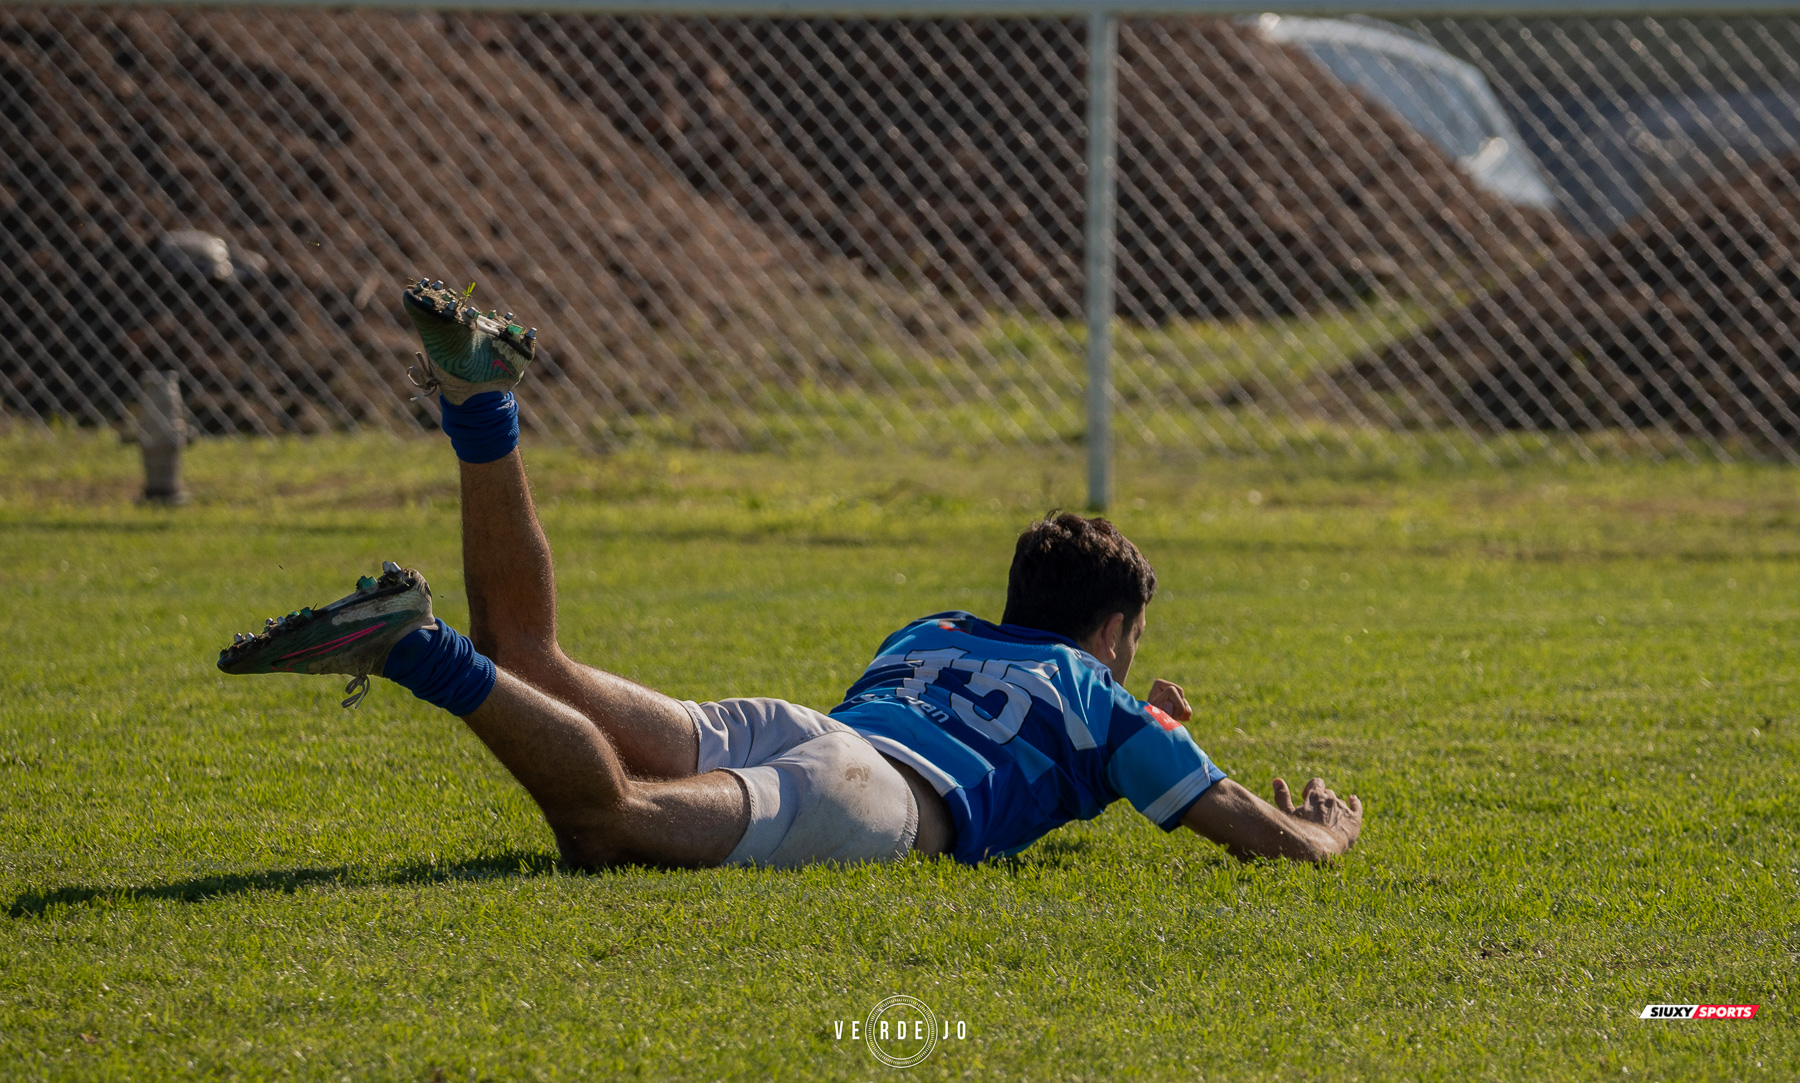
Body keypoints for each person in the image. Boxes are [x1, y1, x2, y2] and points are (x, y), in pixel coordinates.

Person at [219, 279, 1363, 869]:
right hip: (869, 795)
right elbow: (1258, 835)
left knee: (533, 660)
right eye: (1131, 644)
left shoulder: (932, 631)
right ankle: (410, 646)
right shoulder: (1101, 704)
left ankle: (481, 407)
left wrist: (1128, 732)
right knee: (610, 826)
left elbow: (1030, 723)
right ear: (1111, 634)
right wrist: (1324, 830)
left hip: (790, 726)